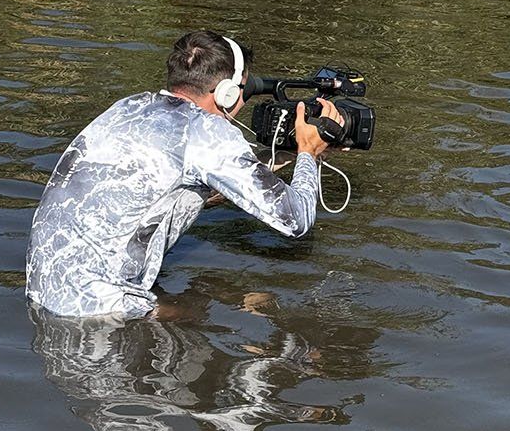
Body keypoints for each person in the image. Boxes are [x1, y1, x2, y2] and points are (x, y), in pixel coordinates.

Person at [26, 30, 341, 319]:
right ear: (227, 93)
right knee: (199, 311)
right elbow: (296, 220)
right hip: (100, 312)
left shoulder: (129, 107)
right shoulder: (207, 131)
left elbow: (194, 185)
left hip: (42, 291)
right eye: (243, 91)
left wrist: (288, 155)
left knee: (199, 301)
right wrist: (308, 154)